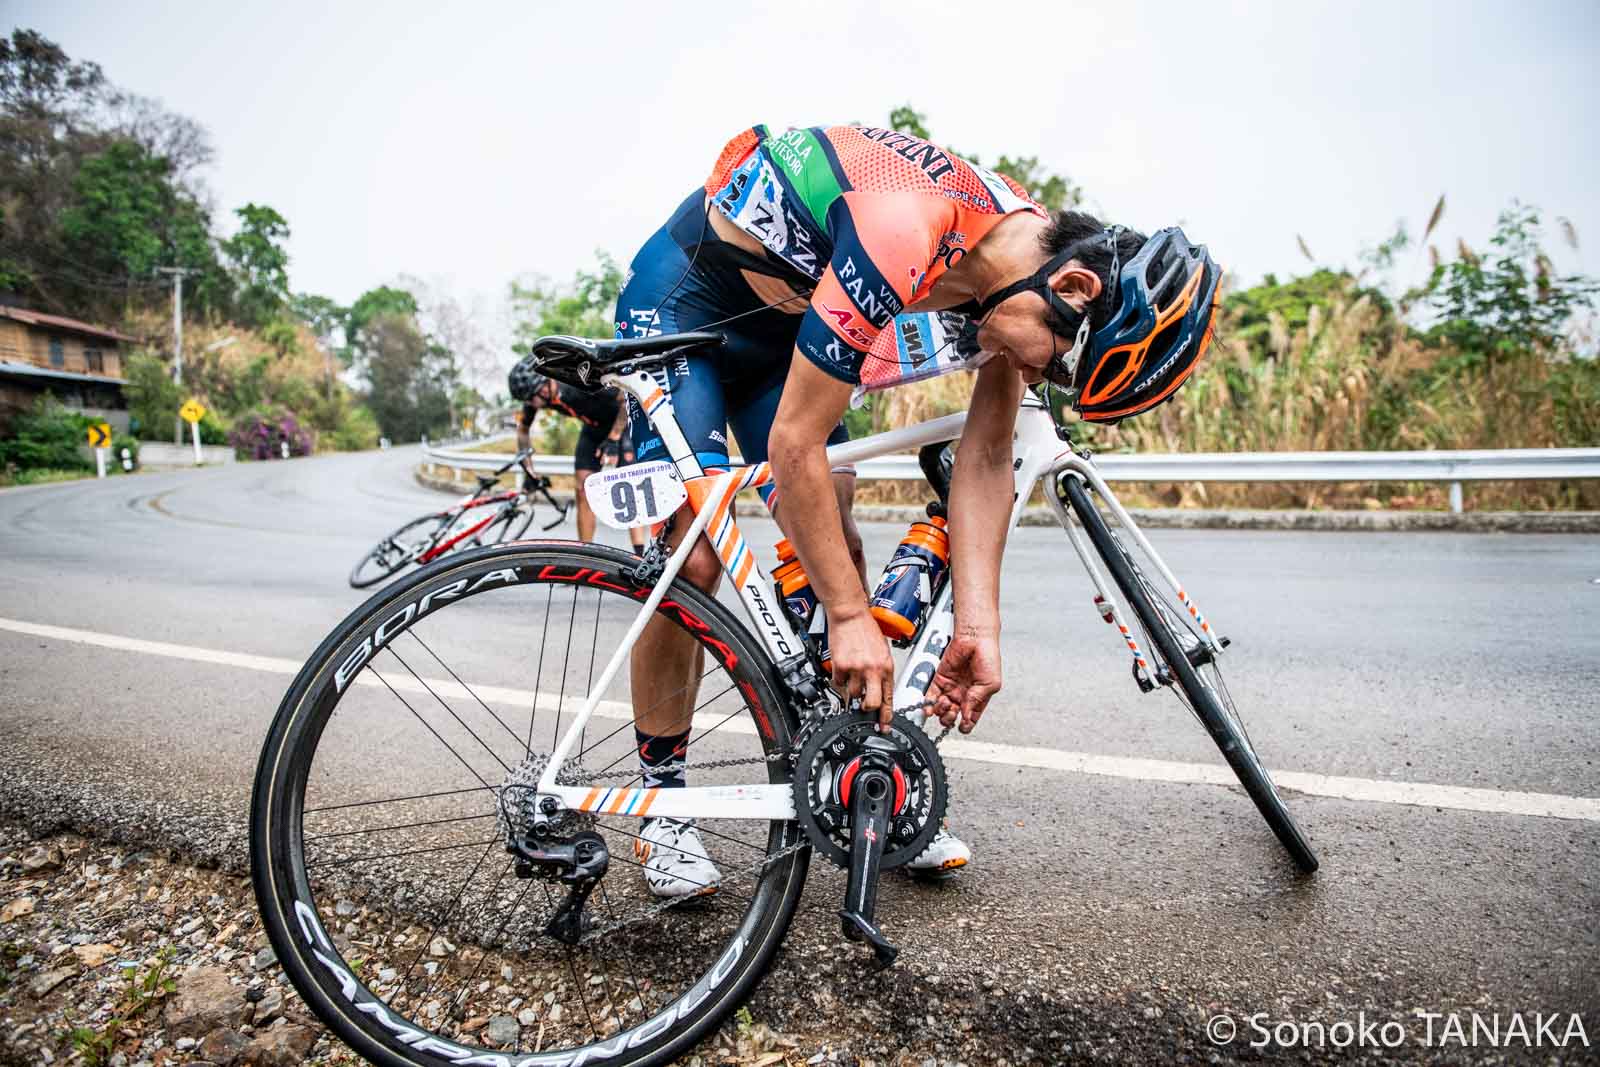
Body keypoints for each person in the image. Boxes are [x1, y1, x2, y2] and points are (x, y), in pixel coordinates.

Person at [612, 124, 1220, 897]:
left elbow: (988, 458)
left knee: (834, 542)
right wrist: (848, 616)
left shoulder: (1019, 262)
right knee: (691, 557)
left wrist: (978, 630)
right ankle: (662, 799)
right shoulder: (905, 226)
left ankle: (857, 784)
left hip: (779, 332)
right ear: (1073, 290)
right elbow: (795, 443)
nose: (1039, 376)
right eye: (1055, 363)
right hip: (684, 306)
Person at [505, 364, 646, 552]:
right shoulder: (537, 396)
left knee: (629, 485)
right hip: (593, 428)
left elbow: (625, 398)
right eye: (528, 400)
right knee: (583, 488)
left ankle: (639, 555)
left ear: (546, 383)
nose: (532, 404)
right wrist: (529, 471)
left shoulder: (577, 382)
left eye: (533, 397)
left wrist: (613, 438)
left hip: (621, 424)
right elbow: (522, 430)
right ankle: (585, 555)